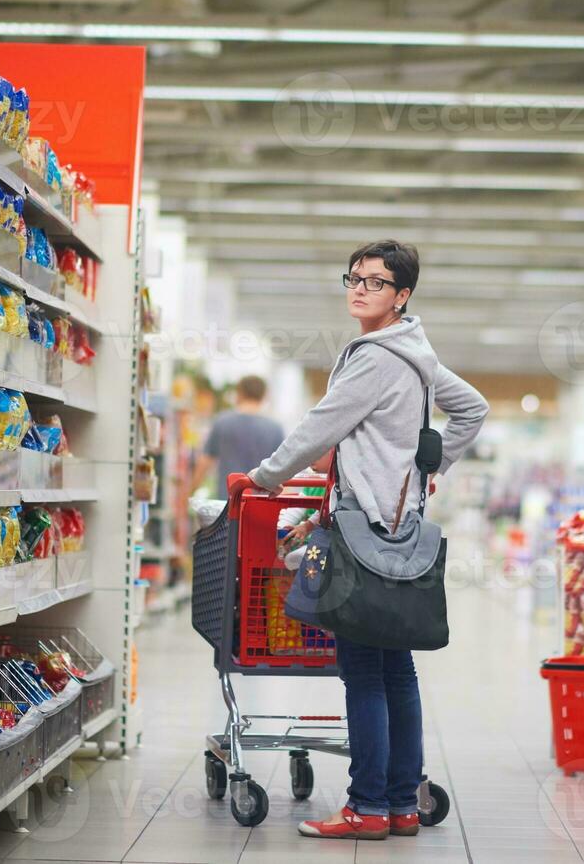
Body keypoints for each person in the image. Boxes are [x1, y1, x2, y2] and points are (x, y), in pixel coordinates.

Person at [231, 239, 488, 841]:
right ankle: (400, 803)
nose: (359, 288)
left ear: (402, 295)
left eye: (376, 282)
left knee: (363, 671)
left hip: (360, 526)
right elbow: (472, 410)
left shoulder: (374, 355)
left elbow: (321, 425)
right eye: (354, 277)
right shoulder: (417, 352)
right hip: (399, 529)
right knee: (396, 669)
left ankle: (366, 808)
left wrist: (262, 477)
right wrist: (429, 469)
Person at [195, 375, 285, 497]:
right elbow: (283, 469)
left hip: (227, 501)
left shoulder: (222, 422)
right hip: (261, 502)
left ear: (240, 393)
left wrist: (188, 495)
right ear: (264, 395)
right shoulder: (275, 429)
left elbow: (204, 463)